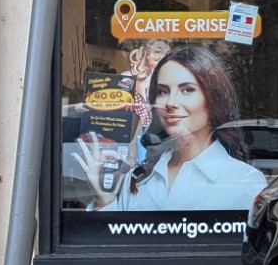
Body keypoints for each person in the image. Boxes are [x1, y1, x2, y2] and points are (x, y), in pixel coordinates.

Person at [77, 43, 265, 212]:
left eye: (187, 90)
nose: (170, 102)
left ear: (213, 99)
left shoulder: (246, 182)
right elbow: (116, 239)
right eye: (162, 91)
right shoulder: (136, 179)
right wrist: (105, 201)